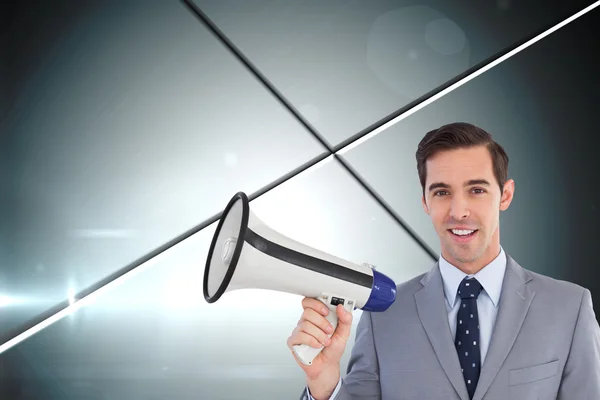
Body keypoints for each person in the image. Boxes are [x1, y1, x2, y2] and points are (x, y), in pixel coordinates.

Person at [288, 122, 600, 400]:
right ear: (424, 201)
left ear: (505, 195)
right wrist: (324, 384)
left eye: (476, 190)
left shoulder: (569, 309)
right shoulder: (382, 315)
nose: (459, 211)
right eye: (441, 192)